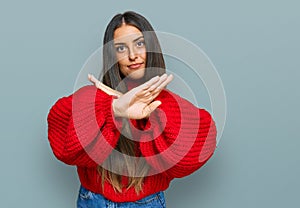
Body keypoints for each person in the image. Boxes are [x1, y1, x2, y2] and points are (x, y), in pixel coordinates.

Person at [47, 11, 217, 208]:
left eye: (139, 43)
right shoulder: (95, 98)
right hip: (92, 201)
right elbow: (62, 140)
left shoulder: (166, 104)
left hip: (147, 203)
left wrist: (155, 108)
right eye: (121, 48)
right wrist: (112, 107)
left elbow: (199, 145)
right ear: (112, 56)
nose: (133, 55)